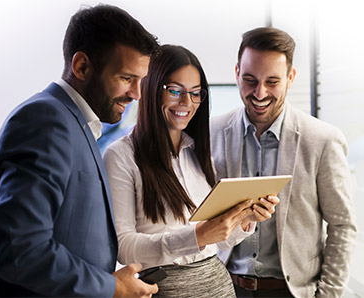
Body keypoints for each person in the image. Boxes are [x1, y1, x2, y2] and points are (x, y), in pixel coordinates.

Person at [0, 4, 160, 297]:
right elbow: (17, 249)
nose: (137, 94)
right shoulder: (46, 121)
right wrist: (111, 286)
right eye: (127, 79)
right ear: (82, 67)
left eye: (141, 81)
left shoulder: (77, 124)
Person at [103, 44, 279, 298]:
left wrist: (244, 220)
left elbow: (215, 241)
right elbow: (124, 247)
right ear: (151, 89)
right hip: (167, 288)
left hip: (218, 285)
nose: (187, 103)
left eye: (196, 93)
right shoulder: (121, 156)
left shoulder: (197, 152)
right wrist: (197, 236)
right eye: (175, 91)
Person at [211, 27, 357, 297]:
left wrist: (327, 295)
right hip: (224, 288)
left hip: (290, 291)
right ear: (236, 73)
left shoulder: (322, 140)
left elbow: (342, 226)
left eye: (273, 82)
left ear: (291, 78)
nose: (260, 93)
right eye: (250, 80)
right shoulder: (212, 132)